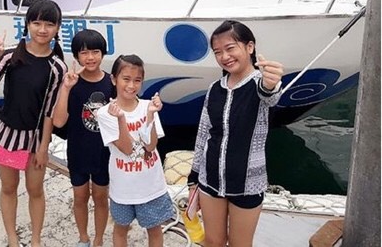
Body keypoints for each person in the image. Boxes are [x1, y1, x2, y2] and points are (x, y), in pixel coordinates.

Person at [0, 0, 67, 247]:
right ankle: (13, 238)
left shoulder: (57, 67)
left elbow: (49, 111)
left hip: (35, 140)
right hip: (8, 135)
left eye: (49, 24)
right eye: (36, 23)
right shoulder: (10, 56)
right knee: (9, 187)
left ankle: (36, 240)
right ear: (27, 24)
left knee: (35, 190)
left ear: (57, 28)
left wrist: (44, 147)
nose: (42, 29)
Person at [187, 20, 284, 247]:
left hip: (248, 184)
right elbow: (203, 135)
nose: (224, 56)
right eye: (217, 52)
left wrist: (272, 83)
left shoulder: (261, 85)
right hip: (210, 180)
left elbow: (270, 96)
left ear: (250, 47)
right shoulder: (215, 89)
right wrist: (194, 178)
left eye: (230, 48)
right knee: (213, 242)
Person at [96, 55, 174, 247]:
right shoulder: (105, 113)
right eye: (126, 79)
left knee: (154, 229)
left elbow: (151, 146)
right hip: (123, 188)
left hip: (151, 185)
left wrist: (150, 115)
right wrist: (121, 119)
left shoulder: (148, 106)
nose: (131, 85)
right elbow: (127, 148)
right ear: (114, 79)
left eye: (137, 80)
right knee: (121, 229)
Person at [53, 29, 114, 247]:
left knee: (100, 197)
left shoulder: (111, 83)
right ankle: (83, 238)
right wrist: (66, 88)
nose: (90, 57)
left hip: (103, 153)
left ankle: (98, 239)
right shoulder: (71, 83)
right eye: (84, 52)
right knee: (79, 197)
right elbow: (59, 122)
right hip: (78, 151)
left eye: (95, 52)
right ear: (76, 56)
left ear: (103, 53)